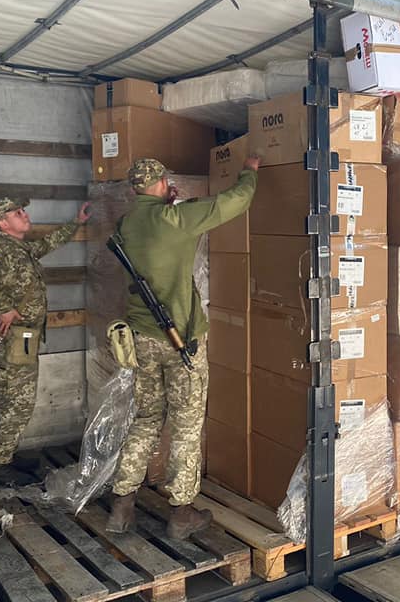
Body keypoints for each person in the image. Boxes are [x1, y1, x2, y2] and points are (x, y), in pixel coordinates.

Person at [107, 155, 258, 538]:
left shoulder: (126, 224)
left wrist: (166, 204)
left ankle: (121, 506)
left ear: (134, 189)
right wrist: (250, 171)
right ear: (161, 182)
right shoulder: (176, 218)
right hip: (180, 341)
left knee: (146, 419)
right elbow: (235, 201)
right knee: (186, 425)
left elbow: (153, 233)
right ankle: (181, 513)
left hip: (140, 339)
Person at [0, 196, 91, 480]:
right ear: (3, 223)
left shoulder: (20, 249)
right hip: (14, 339)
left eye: (23, 210)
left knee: (17, 400)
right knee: (18, 402)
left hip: (24, 338)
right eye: (17, 213)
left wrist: (76, 222)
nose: (24, 215)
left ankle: (5, 455)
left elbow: (48, 243)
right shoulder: (0, 251)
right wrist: (4, 307)